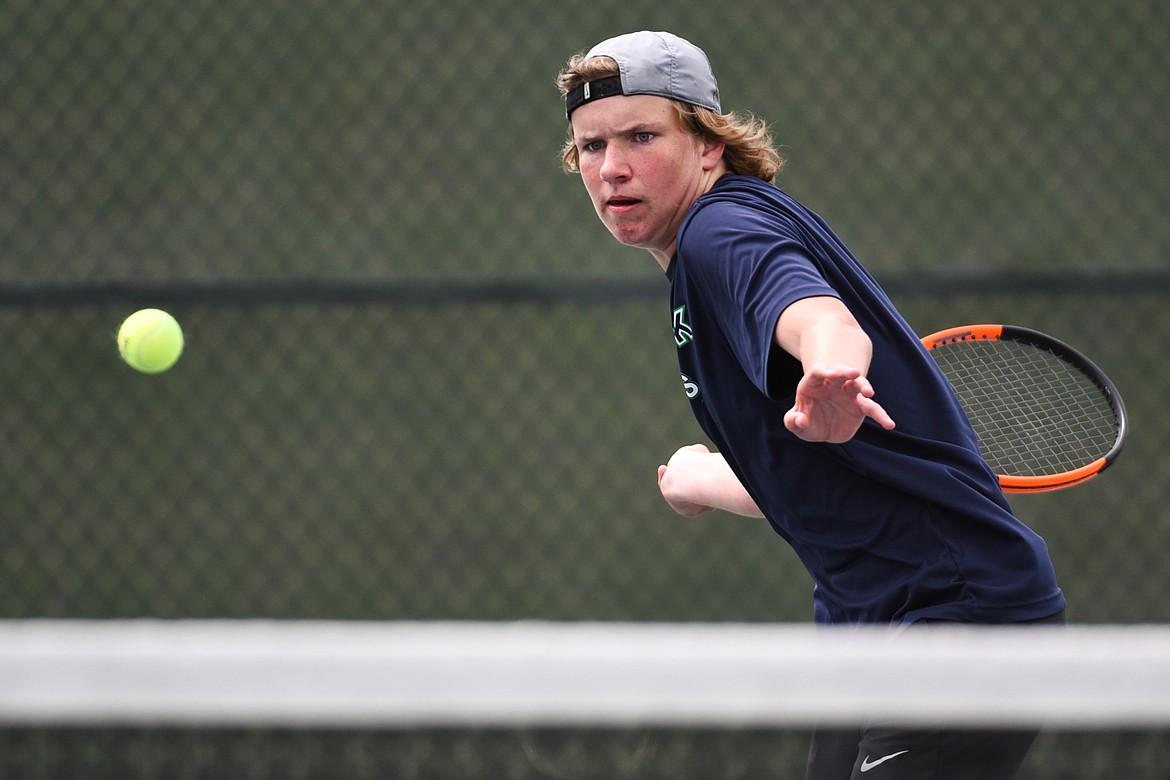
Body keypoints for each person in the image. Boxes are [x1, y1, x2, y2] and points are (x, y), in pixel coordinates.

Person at [556, 30, 1067, 780]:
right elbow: (809, 475)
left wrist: (832, 371)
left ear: (708, 145)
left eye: (641, 135)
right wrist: (703, 480)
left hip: (955, 620)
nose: (613, 167)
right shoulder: (711, 249)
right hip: (865, 627)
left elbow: (817, 317)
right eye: (591, 147)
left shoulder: (719, 233)